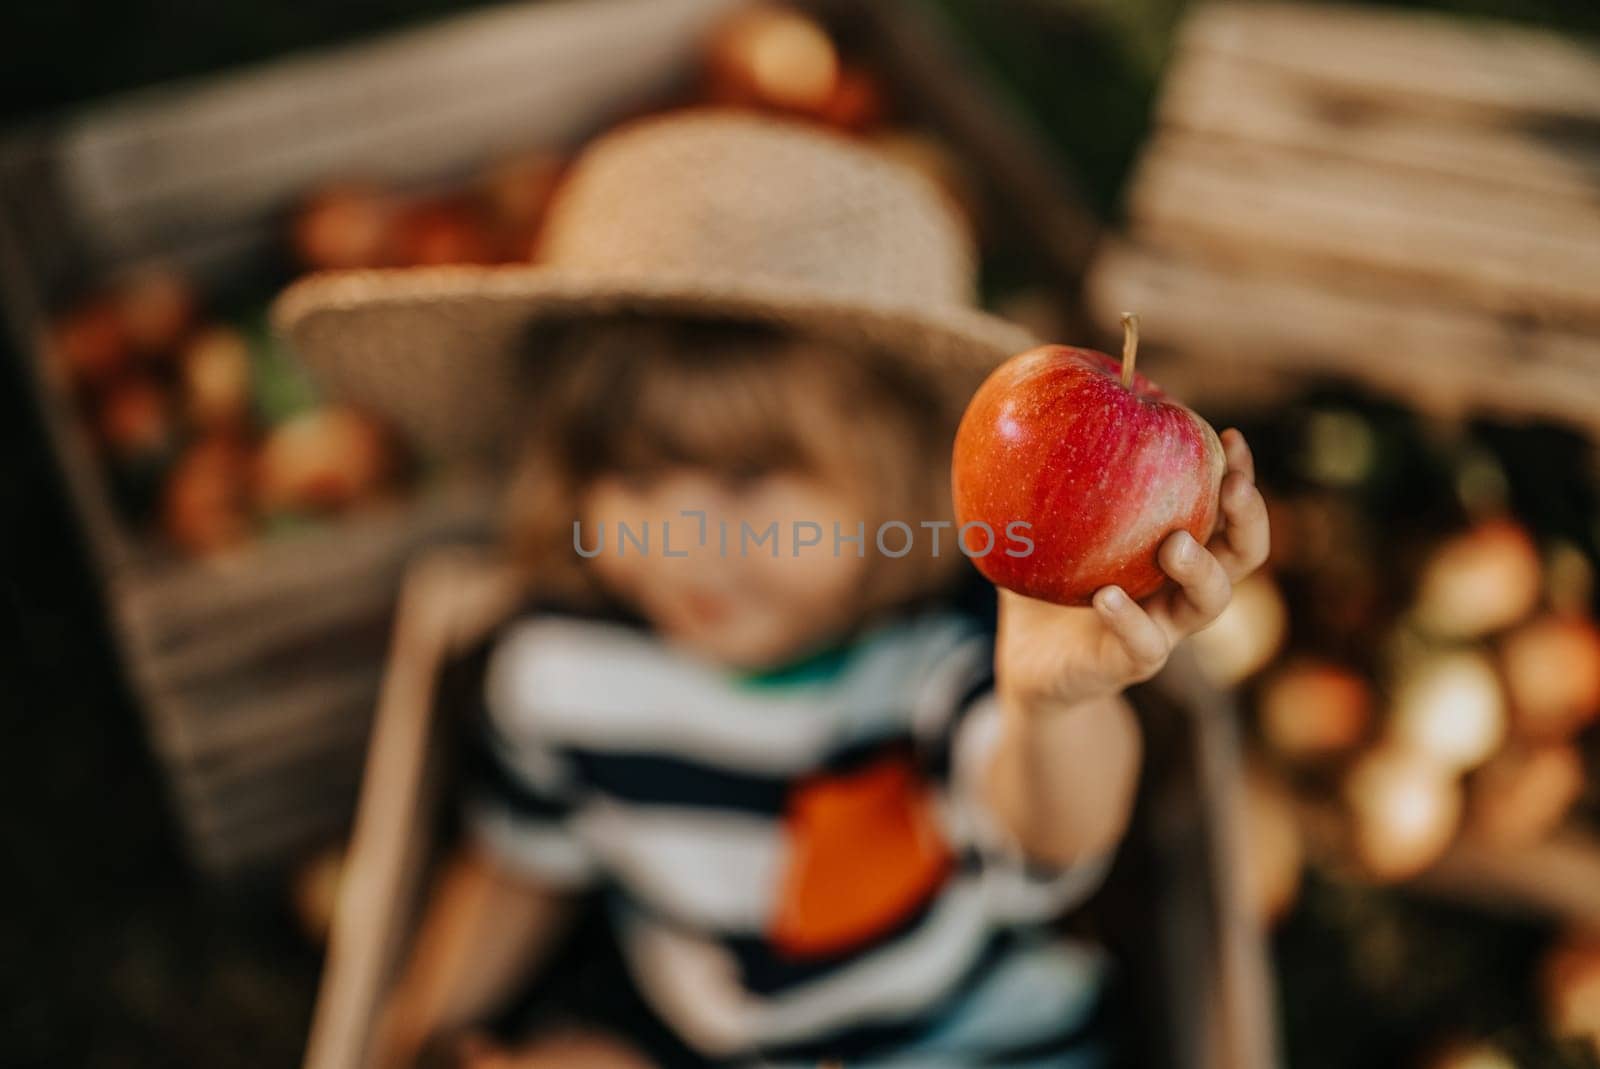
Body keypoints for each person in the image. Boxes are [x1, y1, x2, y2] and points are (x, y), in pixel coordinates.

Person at [275, 112, 1269, 1069]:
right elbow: (521, 864)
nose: (685, 536)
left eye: (750, 478)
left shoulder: (931, 660)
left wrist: (1049, 704)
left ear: (891, 483)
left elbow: (1053, 833)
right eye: (636, 473)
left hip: (953, 1040)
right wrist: (401, 1036)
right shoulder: (558, 670)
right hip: (705, 1043)